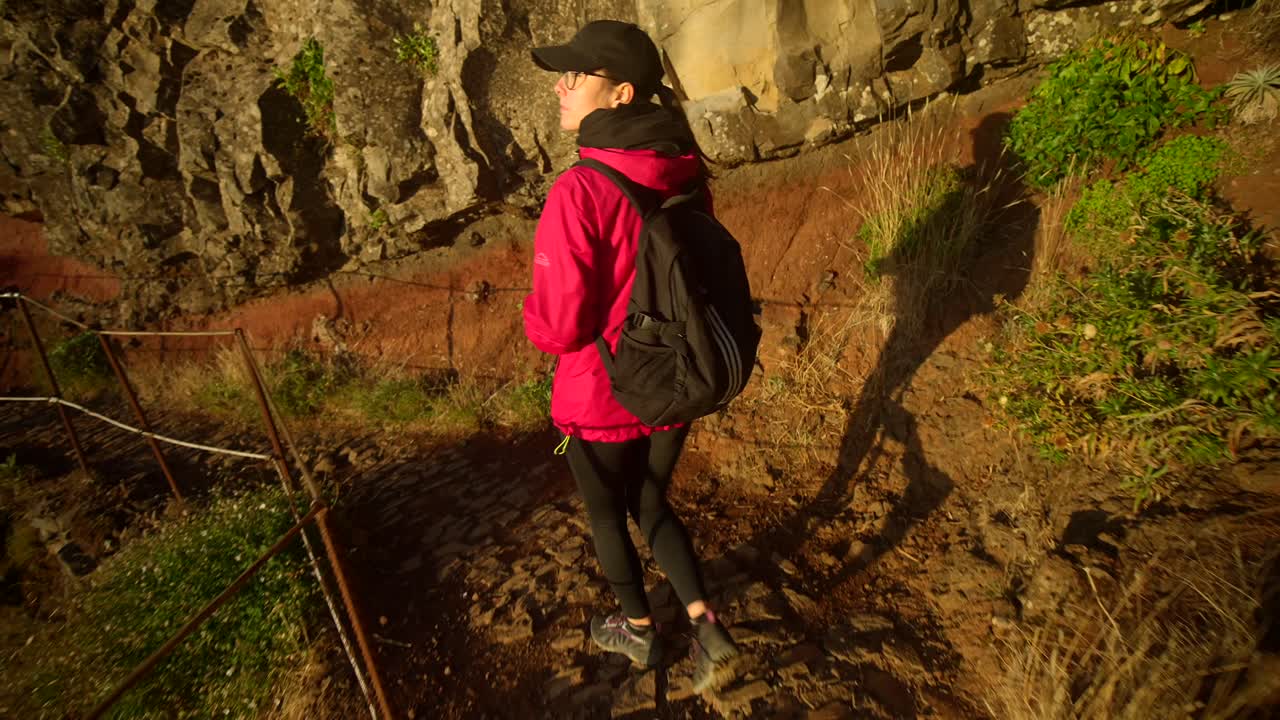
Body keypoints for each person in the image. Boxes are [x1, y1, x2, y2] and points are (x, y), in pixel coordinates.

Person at [521, 19, 740, 692]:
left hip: (600, 393)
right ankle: (706, 625)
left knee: (607, 514)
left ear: (619, 94)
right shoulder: (681, 167)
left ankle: (640, 634)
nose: (560, 86)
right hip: (677, 380)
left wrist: (531, 310)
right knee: (655, 504)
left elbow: (558, 330)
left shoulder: (578, 190)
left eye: (575, 75)